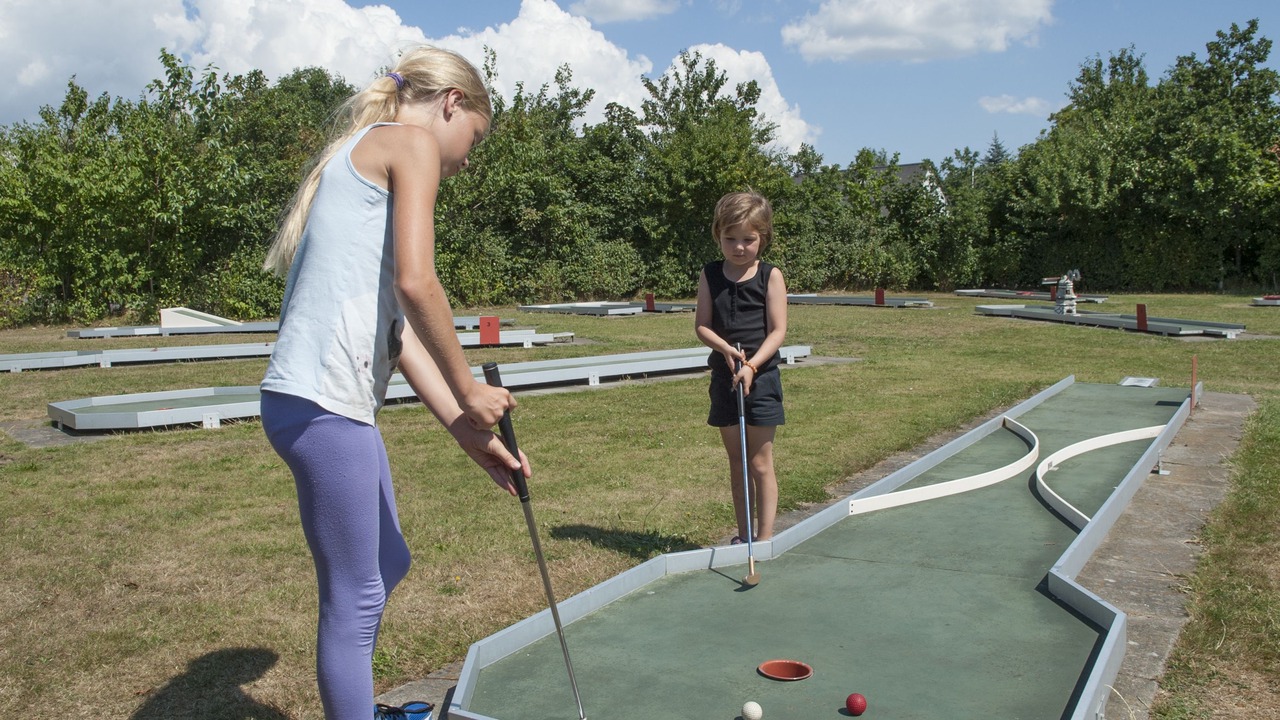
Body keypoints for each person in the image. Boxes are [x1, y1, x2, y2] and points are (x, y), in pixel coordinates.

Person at [258, 46, 529, 720]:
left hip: (318, 405)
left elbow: (396, 331)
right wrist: (470, 387)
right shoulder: (408, 143)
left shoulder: (368, 149)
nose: (466, 160)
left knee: (388, 562)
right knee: (355, 598)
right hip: (321, 405)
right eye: (474, 141)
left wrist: (468, 432)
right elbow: (418, 283)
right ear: (451, 105)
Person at [694, 190, 788, 544]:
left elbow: (778, 330)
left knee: (760, 463)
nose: (738, 247)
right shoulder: (710, 274)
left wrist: (751, 365)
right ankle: (744, 536)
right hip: (725, 377)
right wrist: (725, 351)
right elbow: (702, 325)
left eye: (748, 240)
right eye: (729, 238)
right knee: (738, 463)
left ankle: (763, 542)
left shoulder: (770, 275)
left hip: (761, 379)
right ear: (718, 235)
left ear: (763, 237)